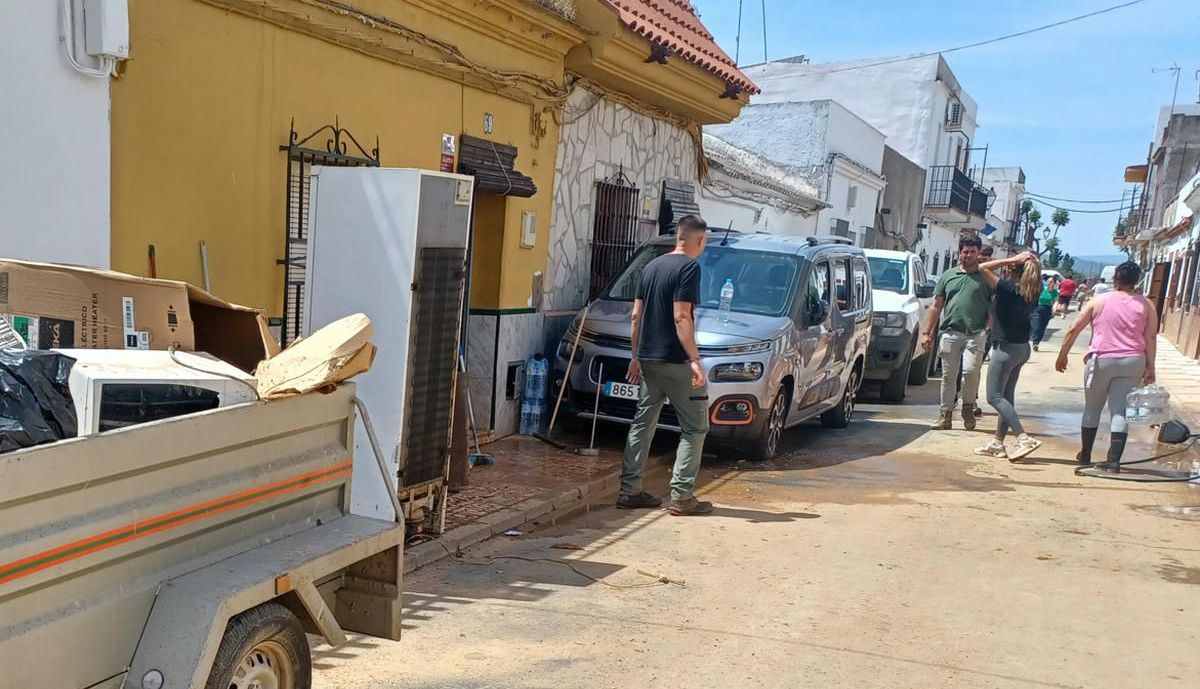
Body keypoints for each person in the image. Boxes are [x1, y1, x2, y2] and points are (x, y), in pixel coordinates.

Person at [617, 215, 713, 516]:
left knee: (643, 423)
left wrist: (635, 356)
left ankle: (629, 490)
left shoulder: (651, 266)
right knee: (696, 427)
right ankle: (682, 496)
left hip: (648, 360)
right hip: (675, 360)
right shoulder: (689, 267)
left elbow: (635, 316)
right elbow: (682, 315)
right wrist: (695, 360)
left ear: (677, 237)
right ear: (699, 240)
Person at [1055, 261, 1157, 471]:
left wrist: (1063, 354)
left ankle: (1085, 455)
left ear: (1115, 278)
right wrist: (1150, 367)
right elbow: (1150, 338)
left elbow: (1074, 328)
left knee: (1092, 407)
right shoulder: (1146, 305)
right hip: (1132, 361)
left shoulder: (1098, 301)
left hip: (1101, 360)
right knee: (1120, 410)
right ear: (1137, 281)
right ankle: (1113, 461)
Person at [972, 251, 1043, 461]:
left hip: (1006, 349)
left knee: (994, 397)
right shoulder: (1033, 291)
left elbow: (982, 267)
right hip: (1022, 348)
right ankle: (997, 443)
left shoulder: (1008, 289)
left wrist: (1012, 259)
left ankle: (1023, 438)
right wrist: (1019, 262)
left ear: (1013, 269)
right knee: (1006, 397)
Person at [921, 236, 992, 430]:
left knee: (970, 372)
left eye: (972, 252)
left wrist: (988, 327)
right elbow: (936, 305)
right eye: (965, 251)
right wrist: (927, 332)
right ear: (959, 252)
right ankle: (945, 415)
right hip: (951, 332)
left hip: (975, 333)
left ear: (978, 253)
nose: (968, 255)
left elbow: (994, 304)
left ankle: (968, 408)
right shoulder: (948, 275)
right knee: (948, 375)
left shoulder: (986, 276)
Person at [1030, 275, 1058, 351]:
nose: (1049, 283)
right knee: (1036, 325)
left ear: (1054, 283)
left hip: (1048, 310)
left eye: (1051, 282)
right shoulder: (1041, 289)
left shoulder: (1054, 292)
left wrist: (1054, 309)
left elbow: (1056, 301)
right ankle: (1034, 340)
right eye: (1048, 281)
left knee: (1042, 327)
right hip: (1038, 308)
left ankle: (1036, 343)